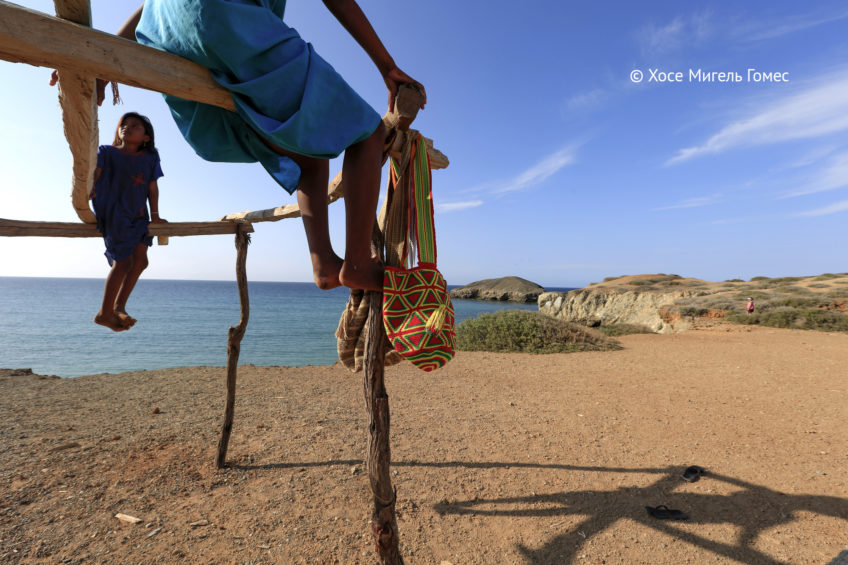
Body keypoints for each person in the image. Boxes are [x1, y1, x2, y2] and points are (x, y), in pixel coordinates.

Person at [102, 1, 426, 291]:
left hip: (166, 30)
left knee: (309, 155)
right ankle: (358, 264)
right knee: (369, 133)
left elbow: (148, 6)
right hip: (225, 18)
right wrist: (386, 66)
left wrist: (104, 60)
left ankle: (325, 264)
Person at [91, 112, 167, 331]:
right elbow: (95, 174)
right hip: (114, 211)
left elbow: (152, 187)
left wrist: (156, 215)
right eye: (124, 124)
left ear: (146, 137)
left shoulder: (150, 156)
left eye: (135, 126)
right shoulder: (106, 152)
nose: (127, 127)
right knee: (123, 262)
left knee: (141, 262)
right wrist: (89, 189)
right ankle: (104, 313)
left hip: (139, 214)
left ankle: (119, 307)